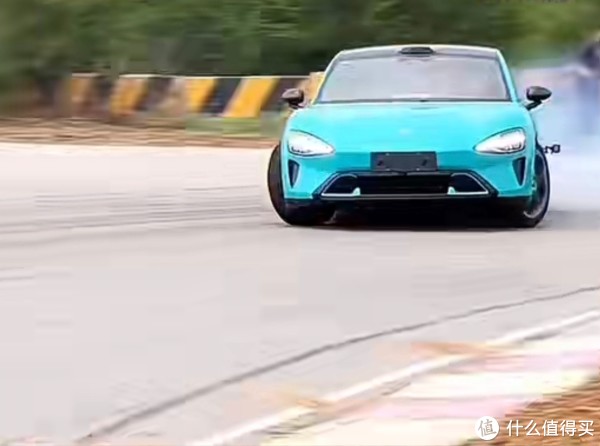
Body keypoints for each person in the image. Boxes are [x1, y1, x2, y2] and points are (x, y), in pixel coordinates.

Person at [574, 31, 600, 135]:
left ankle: (590, 127)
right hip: (588, 82)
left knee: (594, 104)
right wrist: (590, 74)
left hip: (594, 81)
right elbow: (580, 67)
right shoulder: (589, 50)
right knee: (588, 105)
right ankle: (587, 128)